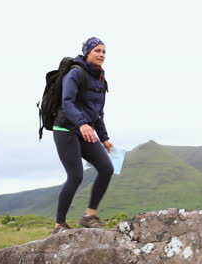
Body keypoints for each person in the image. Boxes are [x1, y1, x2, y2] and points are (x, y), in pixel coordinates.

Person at [52, 37, 114, 233]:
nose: (102, 55)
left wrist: (104, 138)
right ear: (87, 52)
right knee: (76, 176)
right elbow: (67, 102)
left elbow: (97, 113)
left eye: (104, 51)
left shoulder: (101, 80)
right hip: (66, 129)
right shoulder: (75, 73)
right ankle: (59, 225)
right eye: (97, 51)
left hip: (85, 129)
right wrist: (82, 124)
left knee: (106, 168)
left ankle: (89, 216)